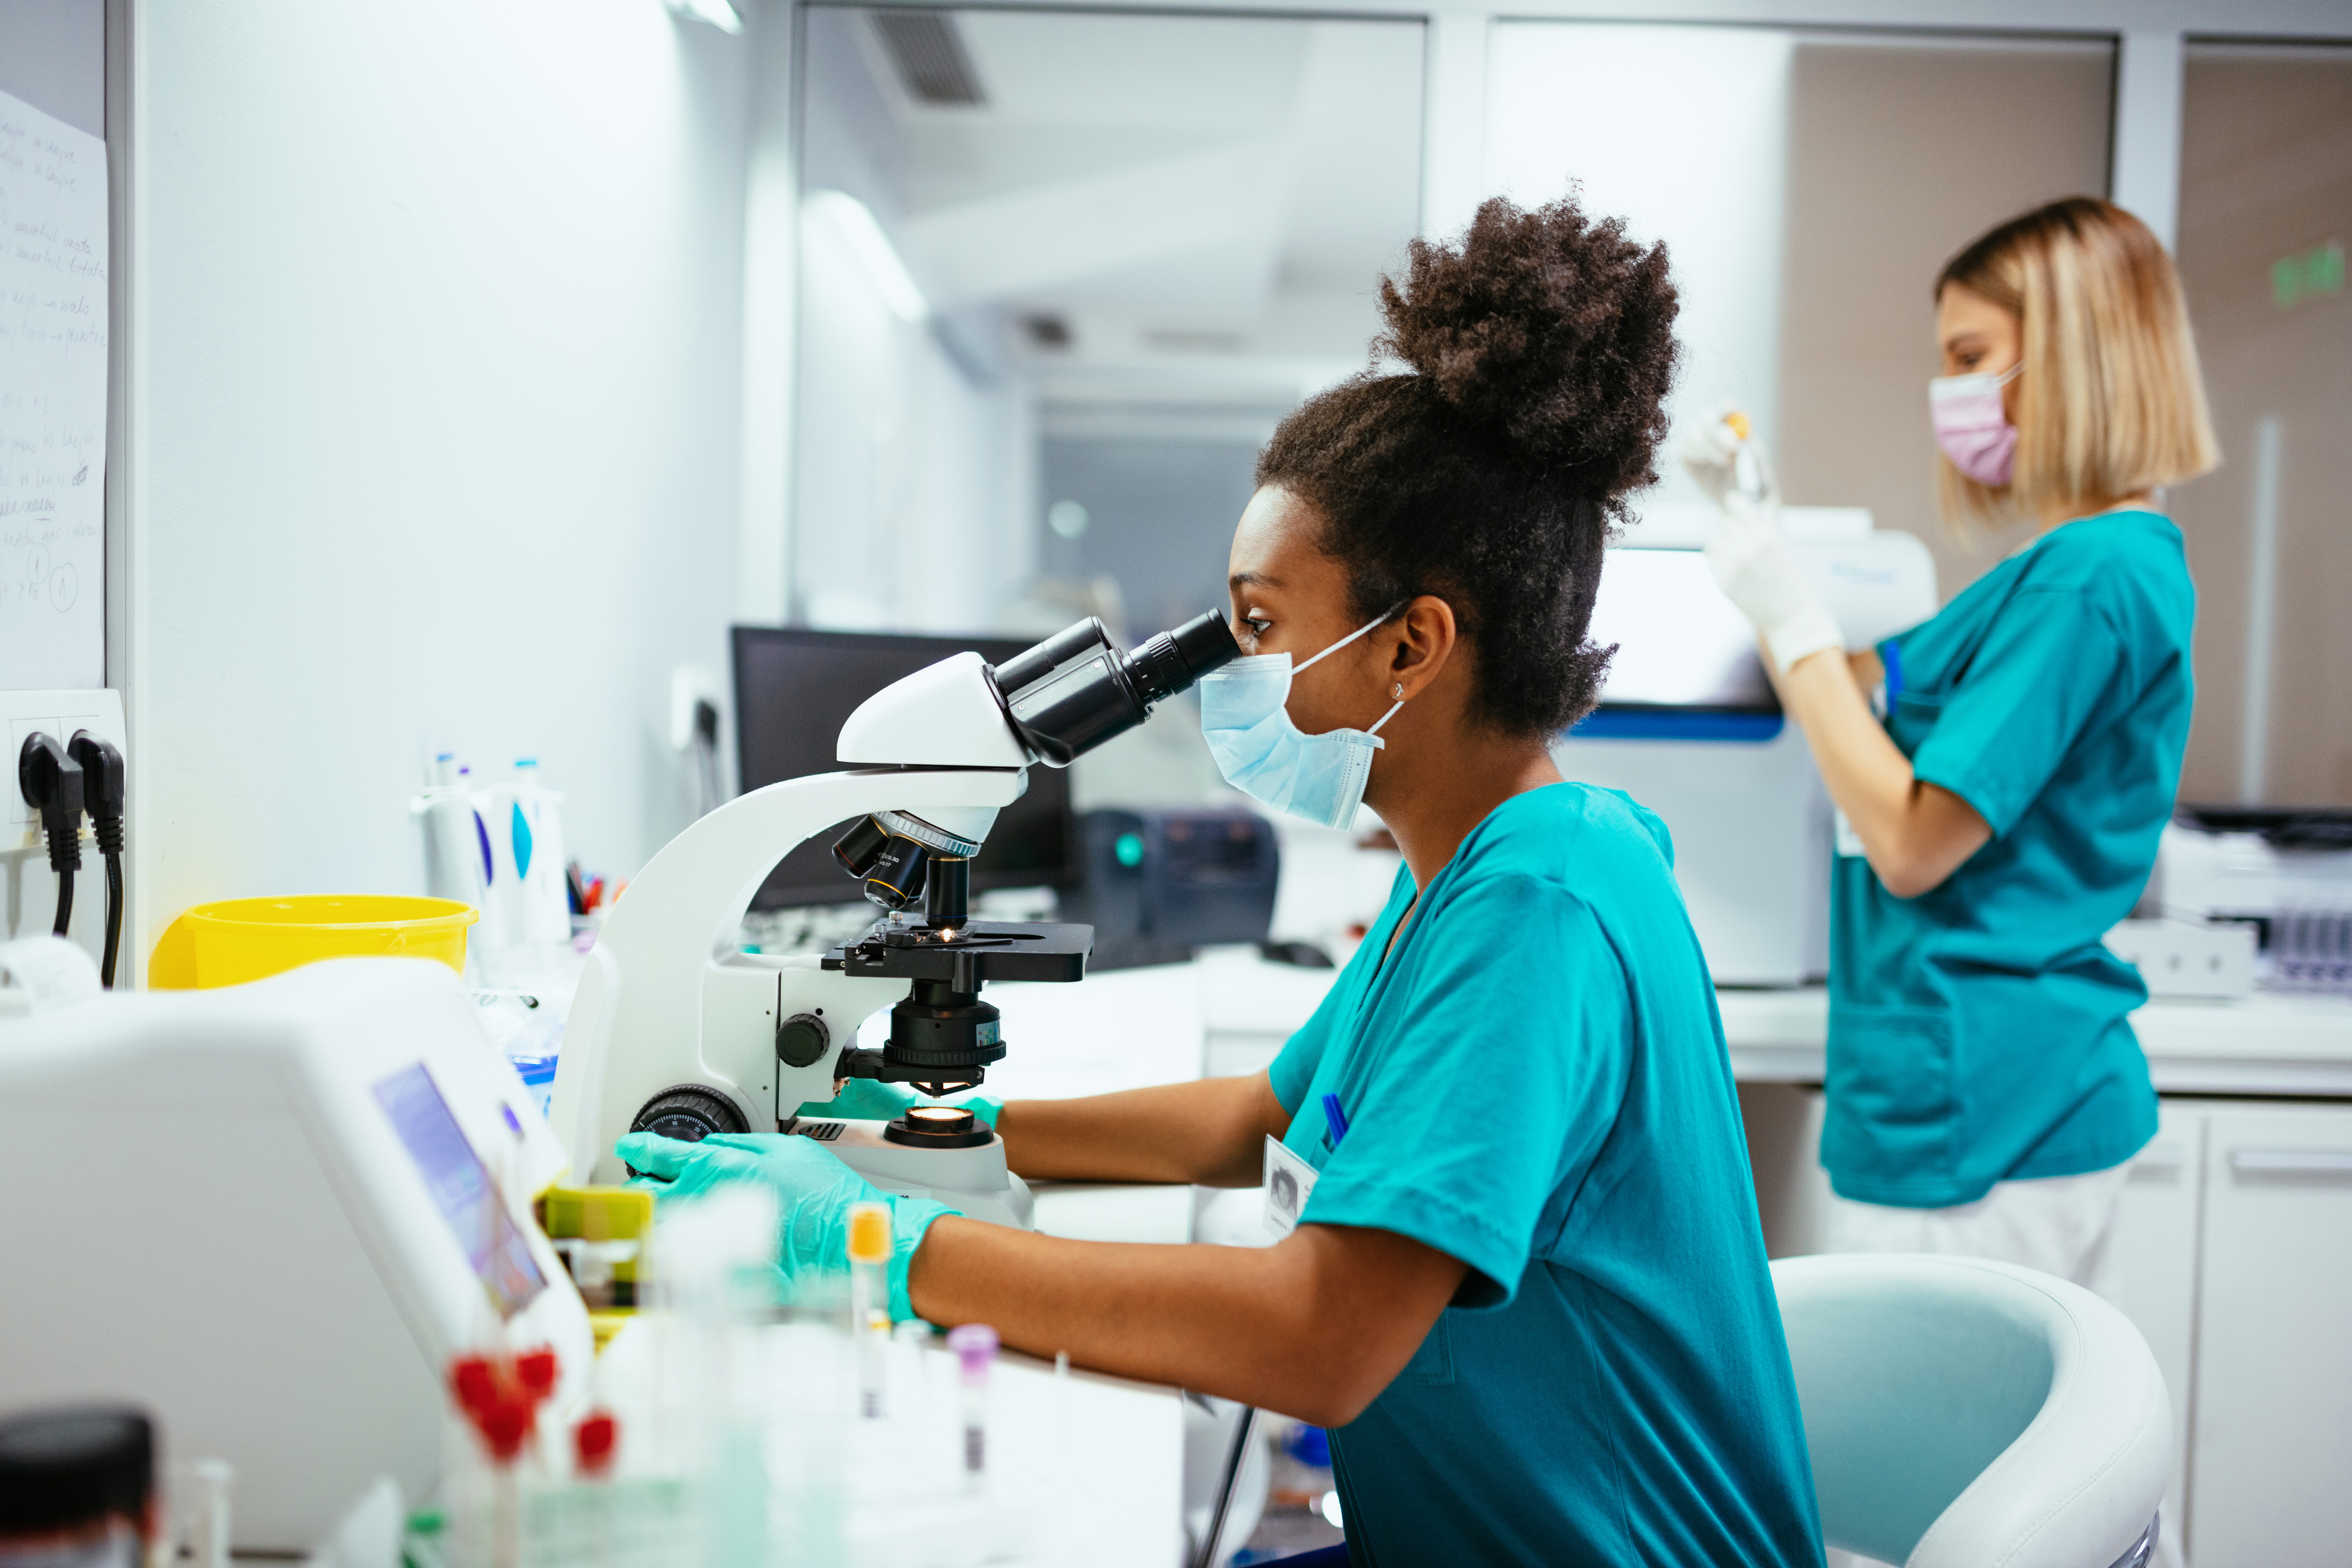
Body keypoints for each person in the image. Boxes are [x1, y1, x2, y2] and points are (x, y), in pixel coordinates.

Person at [622, 194, 1824, 1566]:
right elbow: (1254, 1113)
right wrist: (934, 1138)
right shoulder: (1473, 866)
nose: (1231, 668)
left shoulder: (1537, 904)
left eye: (1257, 625)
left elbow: (1317, 1334)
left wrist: (882, 1246)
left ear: (1410, 646)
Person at [1686, 196, 2219, 1295]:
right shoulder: (2058, 573)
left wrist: (1787, 612)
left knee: (1939, 1470)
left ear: (2076, 358)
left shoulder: (2092, 576)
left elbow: (1914, 842)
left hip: (1987, 1106)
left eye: (1975, 357)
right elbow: (1873, 682)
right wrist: (1769, 537)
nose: (1954, 394)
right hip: (1966, 1086)